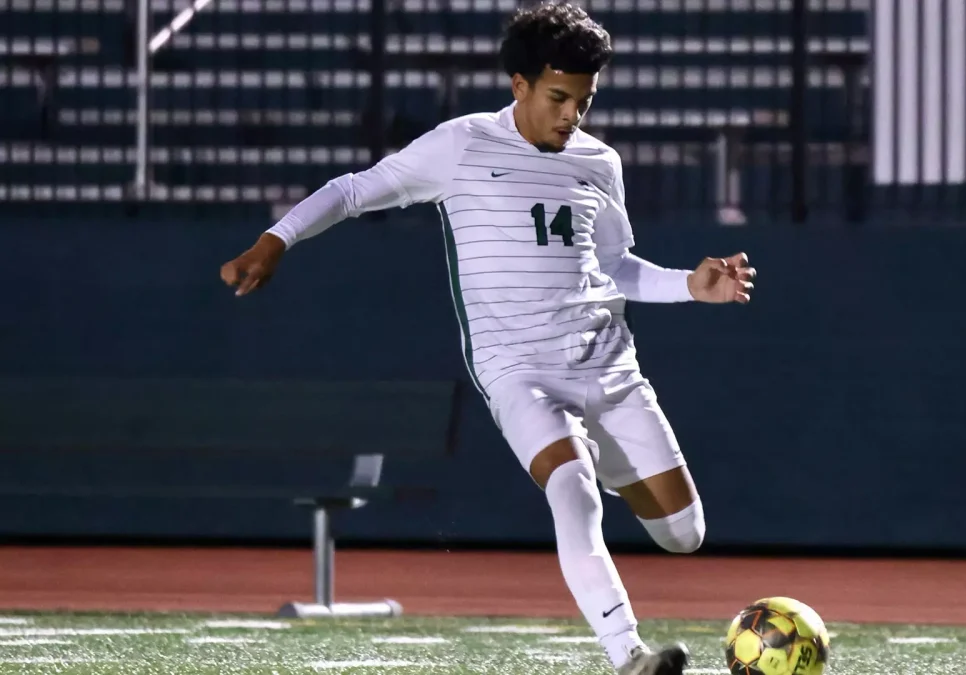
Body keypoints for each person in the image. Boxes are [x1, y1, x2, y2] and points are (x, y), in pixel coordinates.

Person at [219, 2, 755, 672]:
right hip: (517, 369)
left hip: (607, 364)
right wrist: (276, 240)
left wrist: (689, 284)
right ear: (519, 85)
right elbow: (354, 190)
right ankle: (630, 654)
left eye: (583, 102)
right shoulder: (462, 145)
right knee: (572, 491)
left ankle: (602, 455)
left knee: (684, 533)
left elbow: (615, 266)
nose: (570, 115)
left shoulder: (599, 162)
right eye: (558, 97)